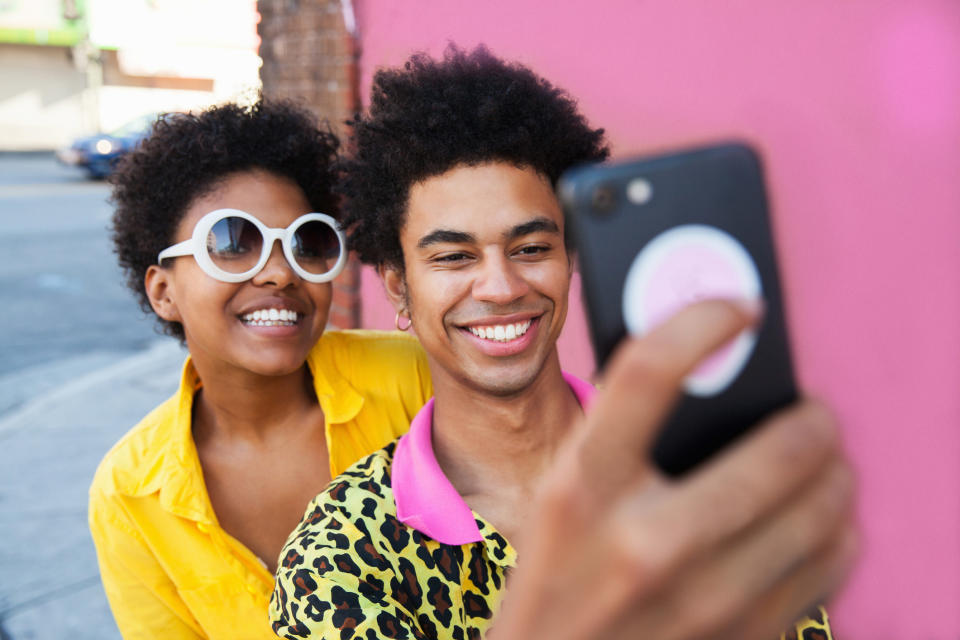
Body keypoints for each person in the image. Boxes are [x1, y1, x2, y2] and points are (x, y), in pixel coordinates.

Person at [270, 46, 855, 640]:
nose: (500, 287)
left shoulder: (699, 472)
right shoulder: (342, 552)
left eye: (531, 249)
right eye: (453, 257)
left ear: (570, 257)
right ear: (399, 286)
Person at [88, 98, 432, 639]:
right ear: (163, 291)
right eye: (231, 243)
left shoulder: (413, 378)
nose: (278, 272)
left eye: (307, 242)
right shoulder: (130, 492)